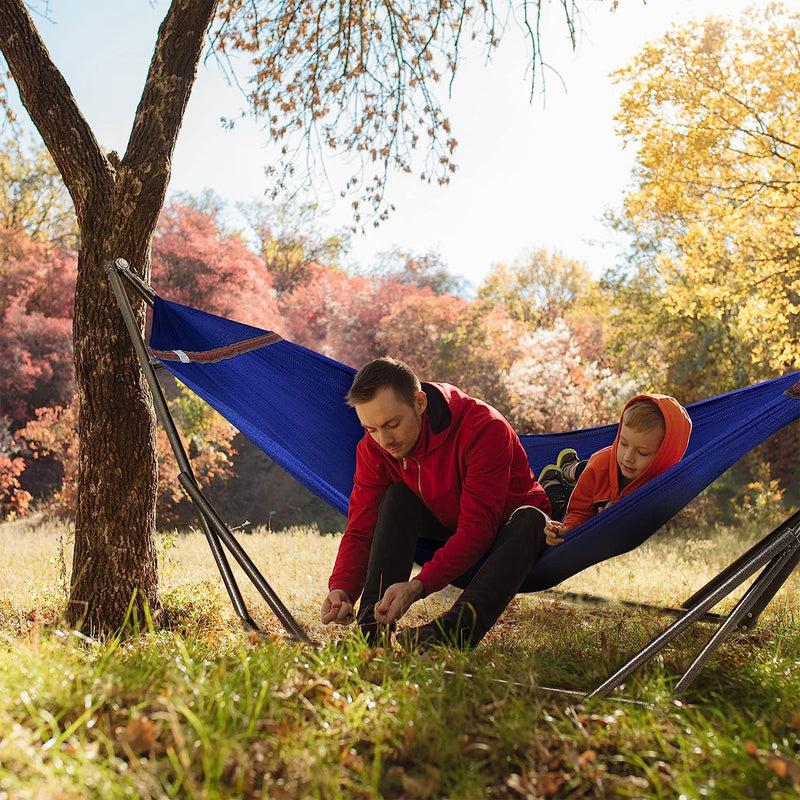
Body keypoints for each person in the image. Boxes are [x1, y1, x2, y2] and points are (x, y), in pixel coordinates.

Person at [319, 356, 552, 649]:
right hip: (445, 522)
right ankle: (370, 634)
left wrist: (418, 586)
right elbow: (361, 527)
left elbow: (479, 528)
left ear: (419, 403)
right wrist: (342, 587)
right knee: (397, 497)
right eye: (371, 429)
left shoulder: (484, 428)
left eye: (392, 424)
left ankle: (451, 635)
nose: (385, 440)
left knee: (530, 518)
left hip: (510, 529)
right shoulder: (373, 449)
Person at [543, 394, 692, 544]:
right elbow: (579, 512)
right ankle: (553, 479)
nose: (628, 457)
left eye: (642, 452)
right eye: (624, 443)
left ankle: (569, 468)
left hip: (596, 500)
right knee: (557, 501)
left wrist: (612, 517)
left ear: (663, 456)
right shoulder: (599, 465)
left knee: (585, 474)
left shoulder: (663, 487)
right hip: (577, 495)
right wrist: (567, 530)